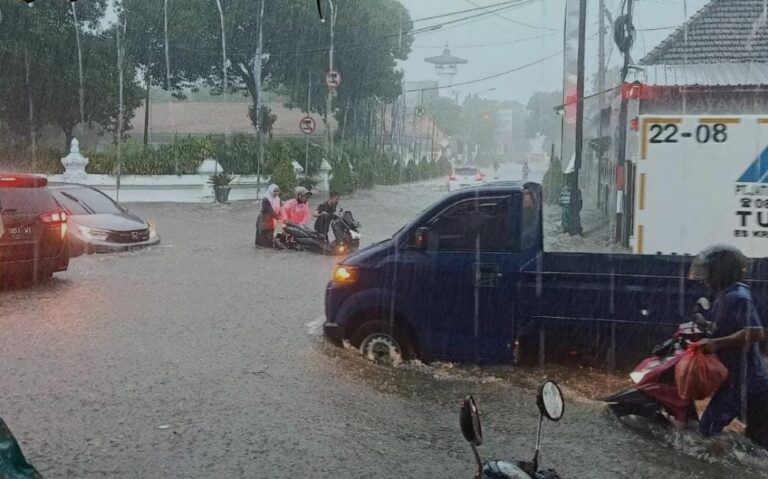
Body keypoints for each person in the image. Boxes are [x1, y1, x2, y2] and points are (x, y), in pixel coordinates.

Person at [690, 245, 768, 448]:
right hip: (738, 380)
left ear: (719, 272)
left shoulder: (738, 296)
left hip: (746, 383)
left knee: (708, 430)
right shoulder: (725, 295)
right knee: (755, 443)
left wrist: (715, 343)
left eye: (708, 271)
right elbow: (727, 327)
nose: (704, 277)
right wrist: (705, 325)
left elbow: (755, 332)